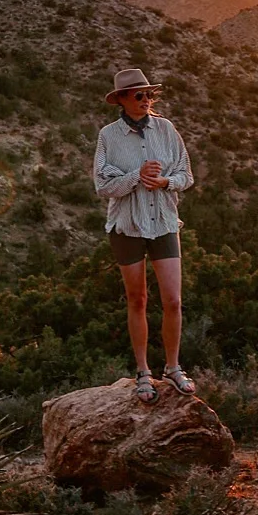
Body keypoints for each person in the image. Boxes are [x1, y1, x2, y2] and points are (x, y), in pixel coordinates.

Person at [93, 68, 195, 404]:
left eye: (149, 94)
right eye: (139, 95)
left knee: (173, 300)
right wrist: (136, 177)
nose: (146, 100)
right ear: (121, 99)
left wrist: (165, 182)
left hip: (163, 223)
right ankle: (143, 372)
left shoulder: (166, 129)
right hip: (127, 226)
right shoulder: (108, 136)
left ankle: (173, 367)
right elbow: (102, 185)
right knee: (137, 299)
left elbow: (186, 175)